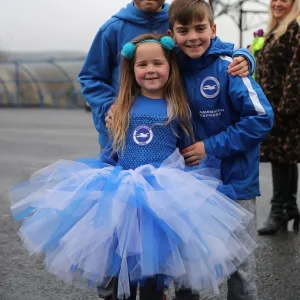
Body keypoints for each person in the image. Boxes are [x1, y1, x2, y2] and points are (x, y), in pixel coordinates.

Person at [10, 33, 257, 300]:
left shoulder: (180, 106)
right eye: (142, 65)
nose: (150, 70)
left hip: (162, 194)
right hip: (122, 192)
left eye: (157, 63)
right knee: (119, 261)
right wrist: (99, 180)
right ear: (132, 69)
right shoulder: (123, 106)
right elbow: (114, 148)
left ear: (170, 66)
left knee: (153, 269)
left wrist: (247, 57)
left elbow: (186, 149)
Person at [166, 0, 274, 299]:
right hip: (188, 184)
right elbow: (135, 66)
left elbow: (262, 119)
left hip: (234, 182)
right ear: (171, 34)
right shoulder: (168, 68)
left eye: (200, 28)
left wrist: (209, 148)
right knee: (187, 263)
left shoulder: (230, 67)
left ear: (213, 29)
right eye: (183, 30)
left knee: (239, 265)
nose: (193, 37)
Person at [78, 0, 255, 152]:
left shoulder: (178, 18)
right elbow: (90, 77)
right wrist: (108, 107)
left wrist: (244, 56)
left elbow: (211, 47)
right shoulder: (112, 29)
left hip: (169, 133)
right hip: (121, 136)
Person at [256, 0, 300, 235]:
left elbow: (297, 71)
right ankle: (290, 207)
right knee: (285, 158)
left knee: (280, 157)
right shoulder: (276, 30)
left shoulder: (295, 29)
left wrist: (285, 109)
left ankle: (279, 211)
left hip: (285, 109)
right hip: (274, 107)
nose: (277, 3)